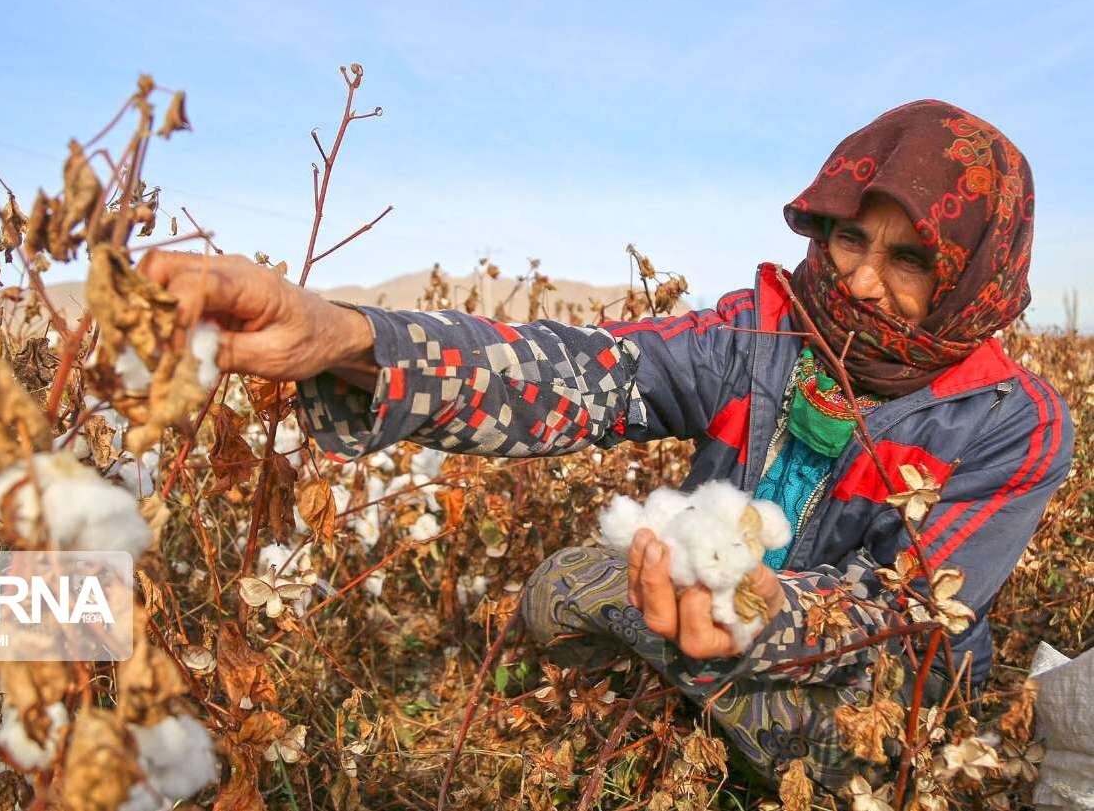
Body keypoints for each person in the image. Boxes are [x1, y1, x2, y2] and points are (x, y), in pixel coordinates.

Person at [138, 100, 1073, 793]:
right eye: (848, 241)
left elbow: (903, 605)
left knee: (856, 761)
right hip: (694, 609)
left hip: (870, 687)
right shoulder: (763, 335)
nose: (863, 282)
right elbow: (581, 371)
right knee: (561, 588)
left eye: (910, 259)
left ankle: (710, 710)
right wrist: (348, 340)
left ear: (977, 276)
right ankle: (692, 697)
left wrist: (758, 612)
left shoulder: (1011, 421)